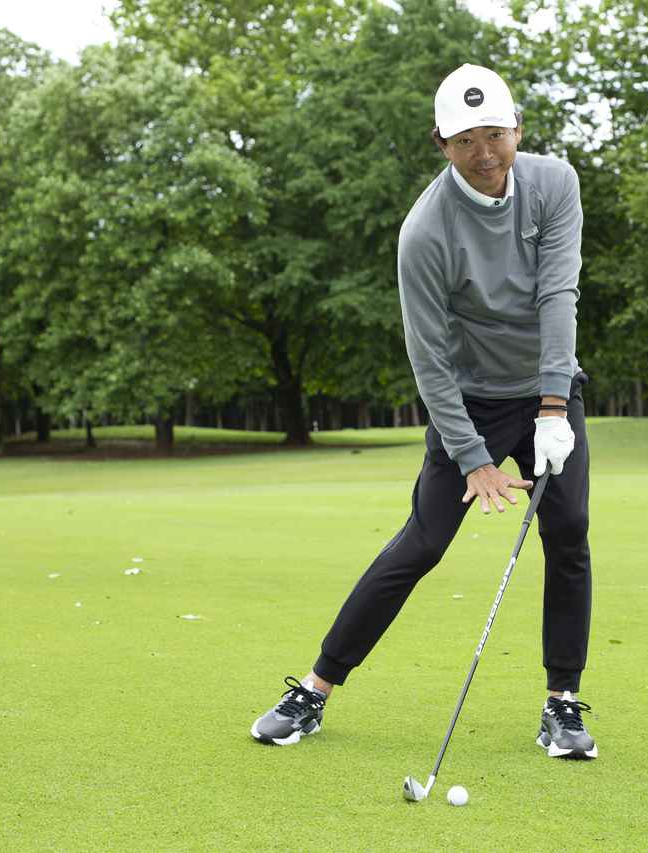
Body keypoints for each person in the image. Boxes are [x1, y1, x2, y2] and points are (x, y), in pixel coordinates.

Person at [251, 64, 596, 759]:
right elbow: (429, 357)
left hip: (547, 390)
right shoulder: (424, 231)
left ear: (517, 130)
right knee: (423, 540)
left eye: (495, 134)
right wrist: (473, 458)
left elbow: (559, 293)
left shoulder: (555, 185)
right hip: (466, 398)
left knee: (569, 534)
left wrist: (554, 407)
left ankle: (562, 703)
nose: (485, 152)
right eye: (466, 139)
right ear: (440, 142)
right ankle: (314, 689)